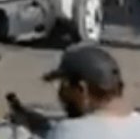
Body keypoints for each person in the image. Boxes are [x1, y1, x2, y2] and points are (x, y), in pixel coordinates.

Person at [12, 44, 140, 138]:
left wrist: (21, 131)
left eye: (64, 85)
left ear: (81, 89)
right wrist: (43, 125)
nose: (61, 94)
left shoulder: (68, 133)